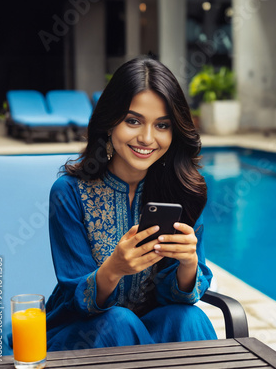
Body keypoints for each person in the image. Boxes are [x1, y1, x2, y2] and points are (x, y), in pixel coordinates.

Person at [45, 55, 217, 351]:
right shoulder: (69, 192)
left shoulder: (184, 191)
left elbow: (176, 299)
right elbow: (78, 298)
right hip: (80, 334)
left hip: (148, 333)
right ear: (110, 121)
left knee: (189, 319)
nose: (147, 138)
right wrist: (114, 268)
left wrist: (188, 264)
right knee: (119, 322)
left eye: (162, 125)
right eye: (133, 121)